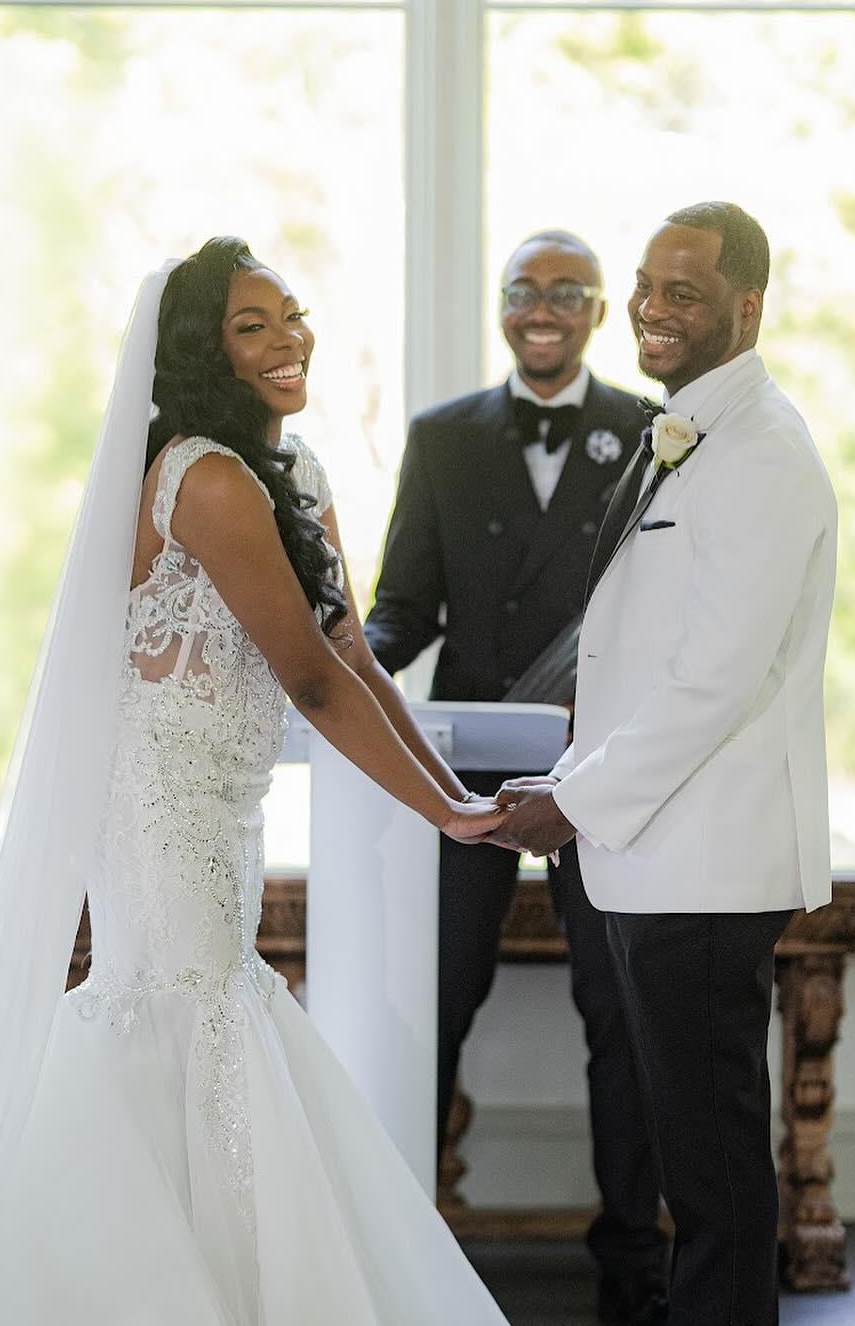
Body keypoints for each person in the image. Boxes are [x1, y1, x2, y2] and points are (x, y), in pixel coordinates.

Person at [0, 237, 512, 1325]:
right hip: (156, 794)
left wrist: (457, 797)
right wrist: (447, 812)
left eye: (292, 314)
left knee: (211, 1001)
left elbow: (352, 651)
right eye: (252, 325)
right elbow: (309, 680)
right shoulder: (203, 478)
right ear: (204, 352)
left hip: (229, 798)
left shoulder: (298, 472)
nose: (288, 339)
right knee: (182, 1001)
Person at [491, 203, 839, 1326]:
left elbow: (715, 681)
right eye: (646, 285)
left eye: (683, 292)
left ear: (749, 307)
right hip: (660, 855)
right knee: (698, 1167)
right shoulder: (692, 432)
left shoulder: (764, 453)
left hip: (706, 864)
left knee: (715, 1177)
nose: (652, 308)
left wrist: (572, 800)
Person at [365, 231, 667, 1326]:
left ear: (599, 311)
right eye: (523, 291)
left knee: (617, 1010)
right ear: (501, 306)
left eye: (567, 292)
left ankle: (633, 1262)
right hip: (470, 765)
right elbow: (405, 608)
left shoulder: (654, 432)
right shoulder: (443, 436)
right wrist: (333, 664)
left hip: (604, 765)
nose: (542, 309)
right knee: (435, 996)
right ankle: (398, 1248)